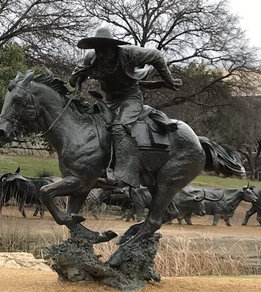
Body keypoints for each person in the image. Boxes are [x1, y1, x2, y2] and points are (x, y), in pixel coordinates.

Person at [69, 26, 182, 188]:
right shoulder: (91, 58)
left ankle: (122, 175)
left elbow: (156, 56)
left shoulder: (129, 54)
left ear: (113, 47)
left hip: (130, 99)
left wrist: (169, 79)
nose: (101, 54)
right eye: (98, 50)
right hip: (108, 100)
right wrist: (78, 74)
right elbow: (73, 81)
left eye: (104, 50)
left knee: (119, 128)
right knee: (91, 126)